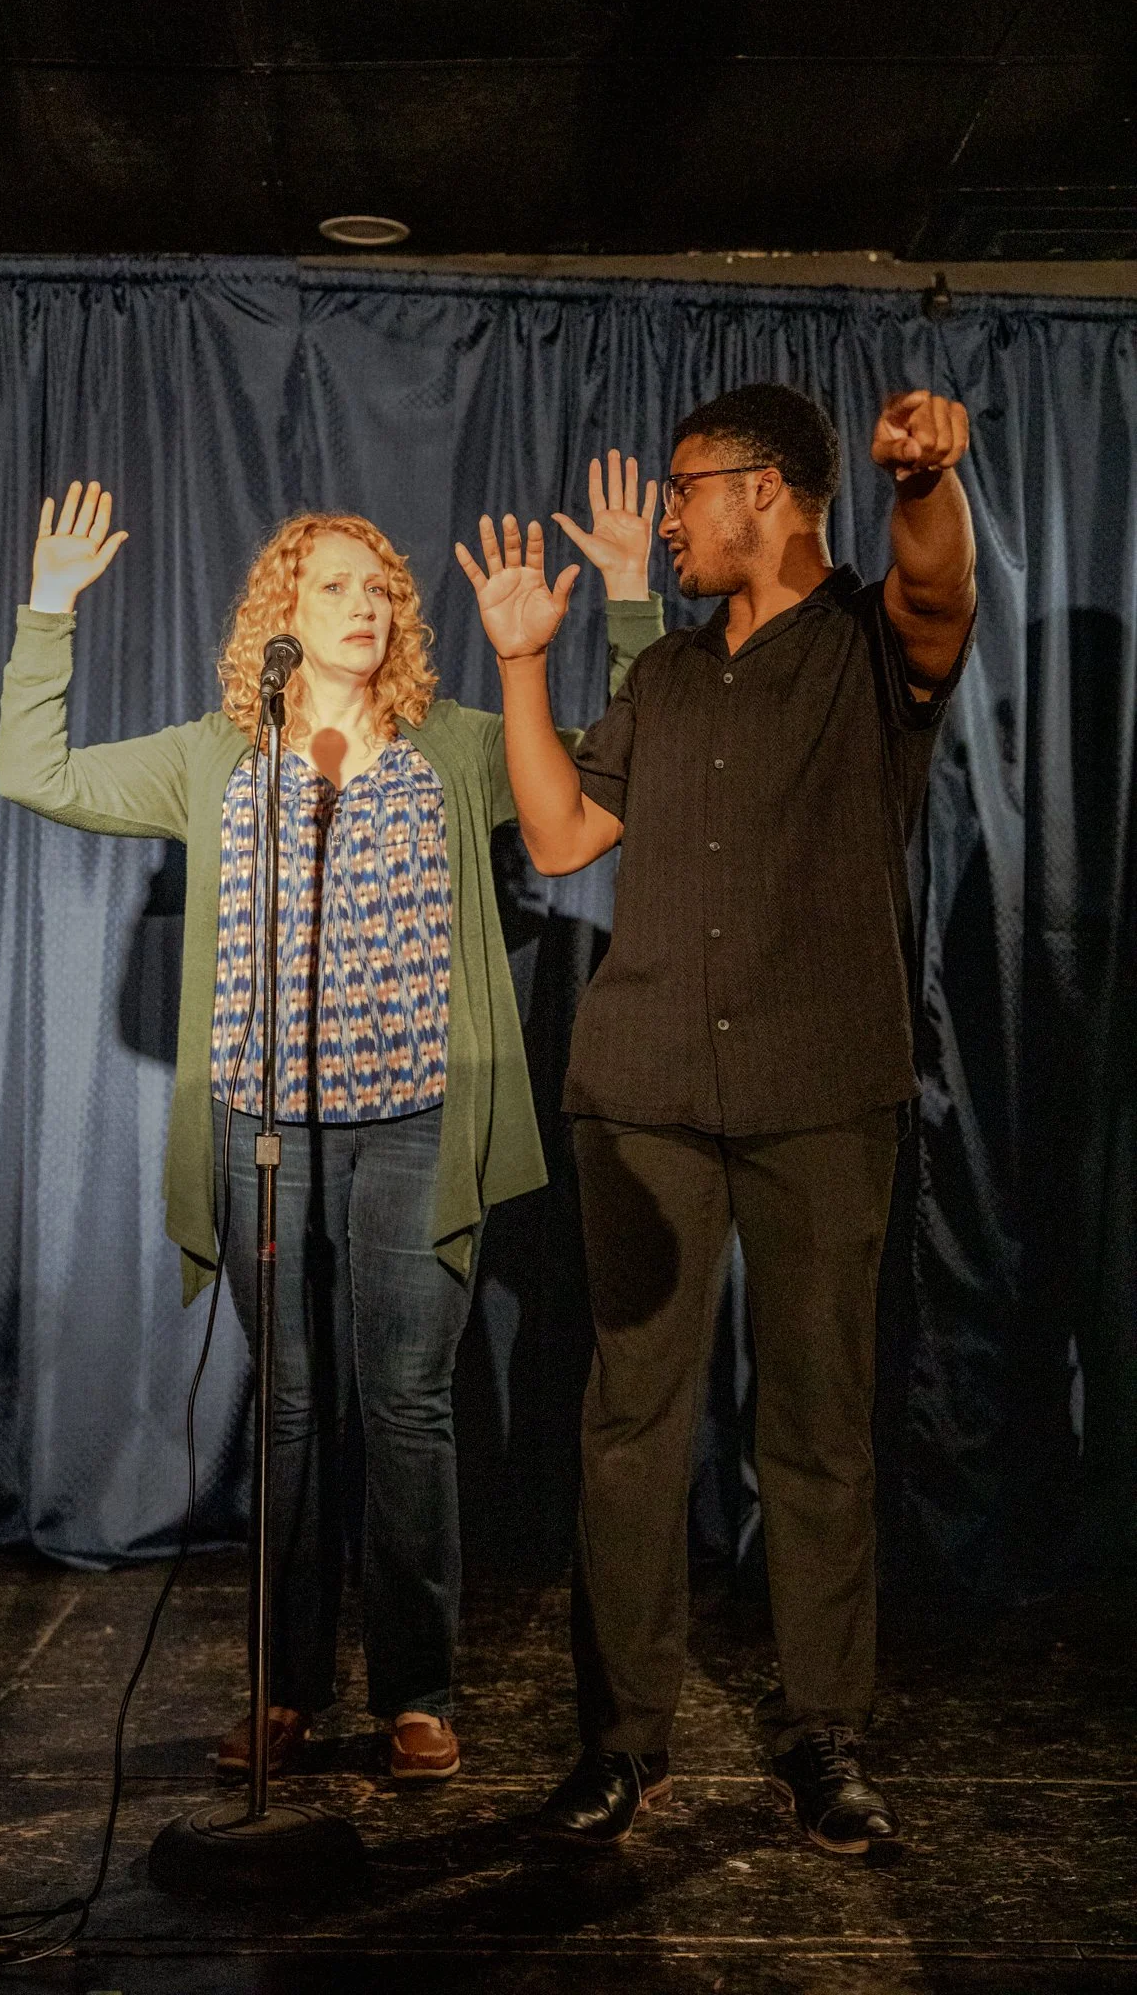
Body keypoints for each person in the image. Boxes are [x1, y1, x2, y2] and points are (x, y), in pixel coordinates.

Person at [0, 485, 657, 1784]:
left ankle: (419, 1695)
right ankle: (285, 1690)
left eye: (381, 590)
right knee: (292, 1414)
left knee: (408, 1410)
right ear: (280, 617)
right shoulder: (215, 757)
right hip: (266, 1138)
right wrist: (50, 611)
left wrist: (630, 605)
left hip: (417, 1126)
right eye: (337, 587)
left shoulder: (458, 746)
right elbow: (37, 771)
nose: (366, 605)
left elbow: (626, 768)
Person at [457, 386, 976, 1850]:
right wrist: (518, 669)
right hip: (650, 1098)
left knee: (815, 1430)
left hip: (821, 1096)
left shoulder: (874, 649)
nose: (667, 520)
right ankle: (623, 1745)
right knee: (632, 1425)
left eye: (686, 492)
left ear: (763, 492)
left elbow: (938, 585)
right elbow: (560, 836)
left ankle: (824, 1738)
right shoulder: (670, 681)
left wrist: (929, 480)